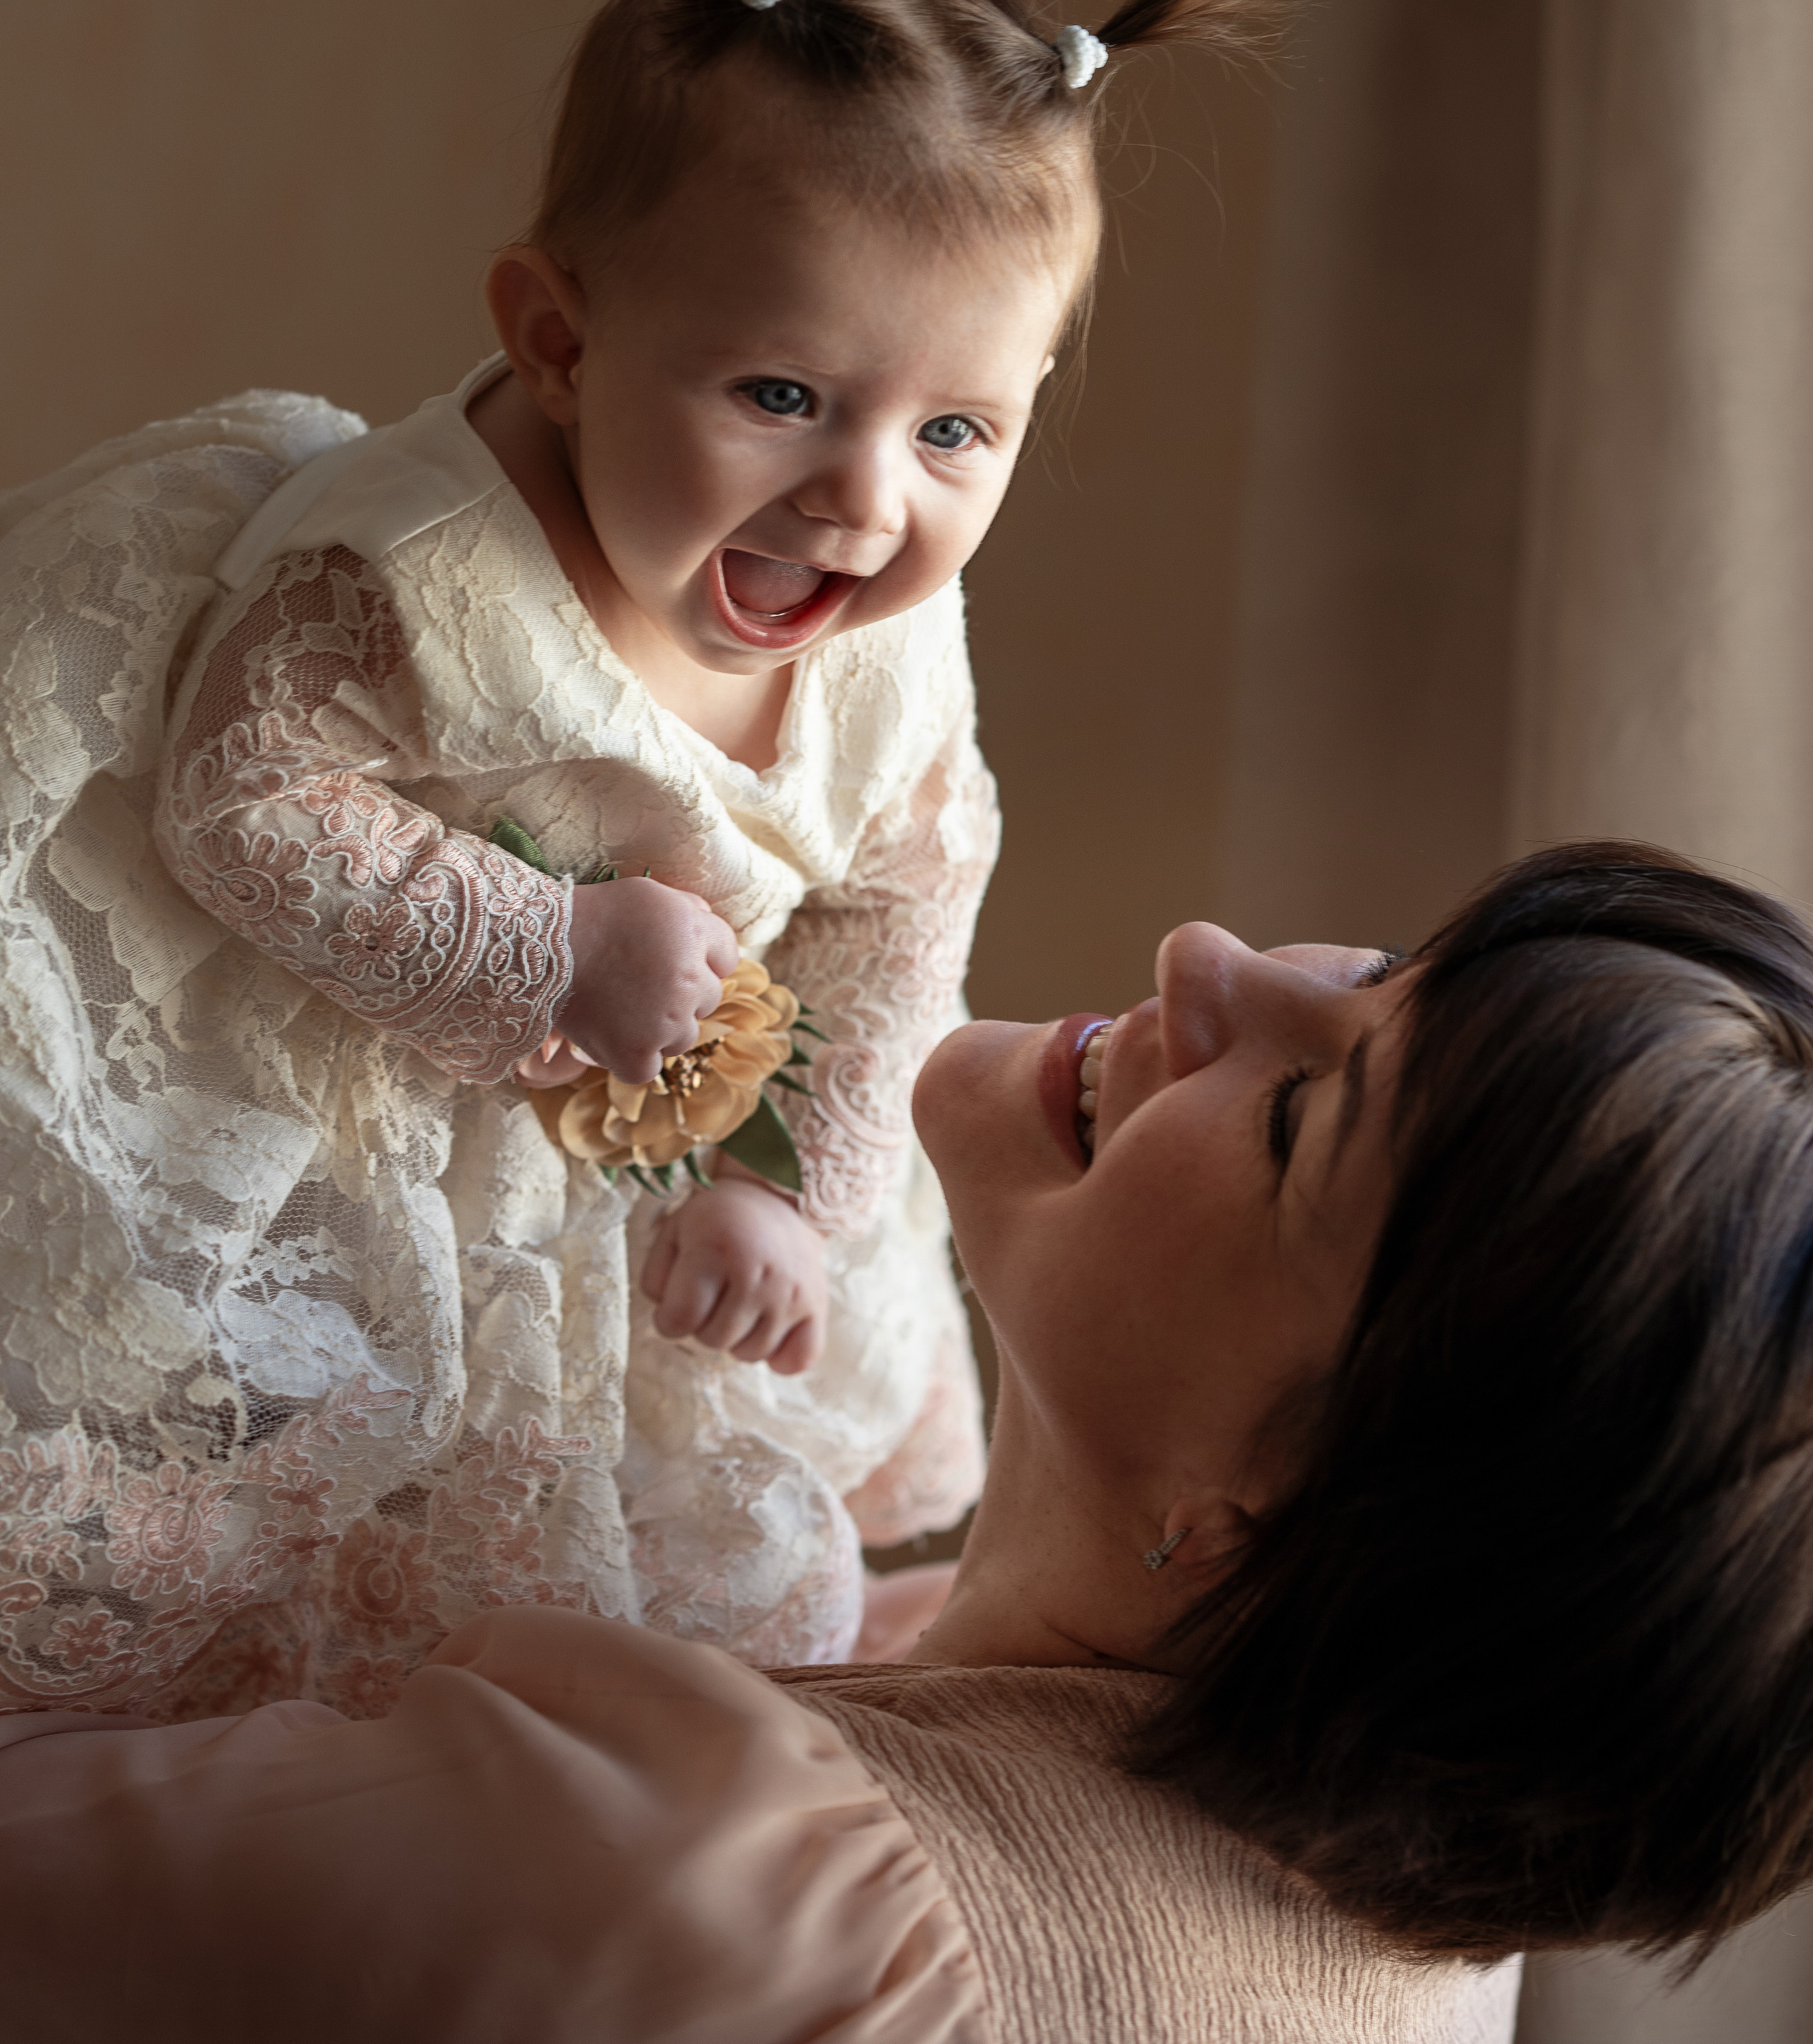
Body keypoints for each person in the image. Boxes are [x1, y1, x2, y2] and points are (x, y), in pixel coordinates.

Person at [0, 0, 1283, 1709]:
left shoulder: (888, 641)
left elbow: (902, 904)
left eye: (956, 432)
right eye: (783, 392)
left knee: (597, 1578)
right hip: (332, 1098)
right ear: (558, 339)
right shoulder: (420, 572)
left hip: (632, 1183)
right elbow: (242, 797)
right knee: (235, 1506)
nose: (866, 501)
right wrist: (550, 951)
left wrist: (784, 1187)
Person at [8, 836, 1813, 2043]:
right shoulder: (1428, 1957)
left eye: (1300, 1120)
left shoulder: (730, 1896)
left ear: (1267, 1519)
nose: (1212, 963)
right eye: (1388, 973)